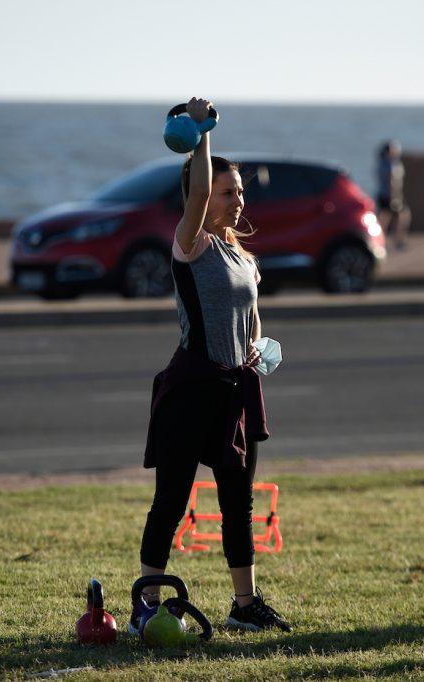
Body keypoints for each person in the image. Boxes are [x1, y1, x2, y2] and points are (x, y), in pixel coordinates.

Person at [134, 96, 292, 633]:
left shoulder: (244, 259)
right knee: (171, 501)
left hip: (236, 391)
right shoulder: (190, 245)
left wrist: (258, 348)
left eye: (241, 192)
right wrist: (202, 132)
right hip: (192, 387)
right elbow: (199, 189)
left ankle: (245, 606)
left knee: (238, 502)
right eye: (229, 192)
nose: (237, 200)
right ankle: (146, 605)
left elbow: (252, 323)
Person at [376, 140, 411, 250]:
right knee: (401, 217)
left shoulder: (382, 163)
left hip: (383, 194)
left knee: (385, 219)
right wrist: (394, 197)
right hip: (391, 196)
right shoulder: (391, 164)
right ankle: (396, 241)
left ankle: (382, 242)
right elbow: (392, 181)